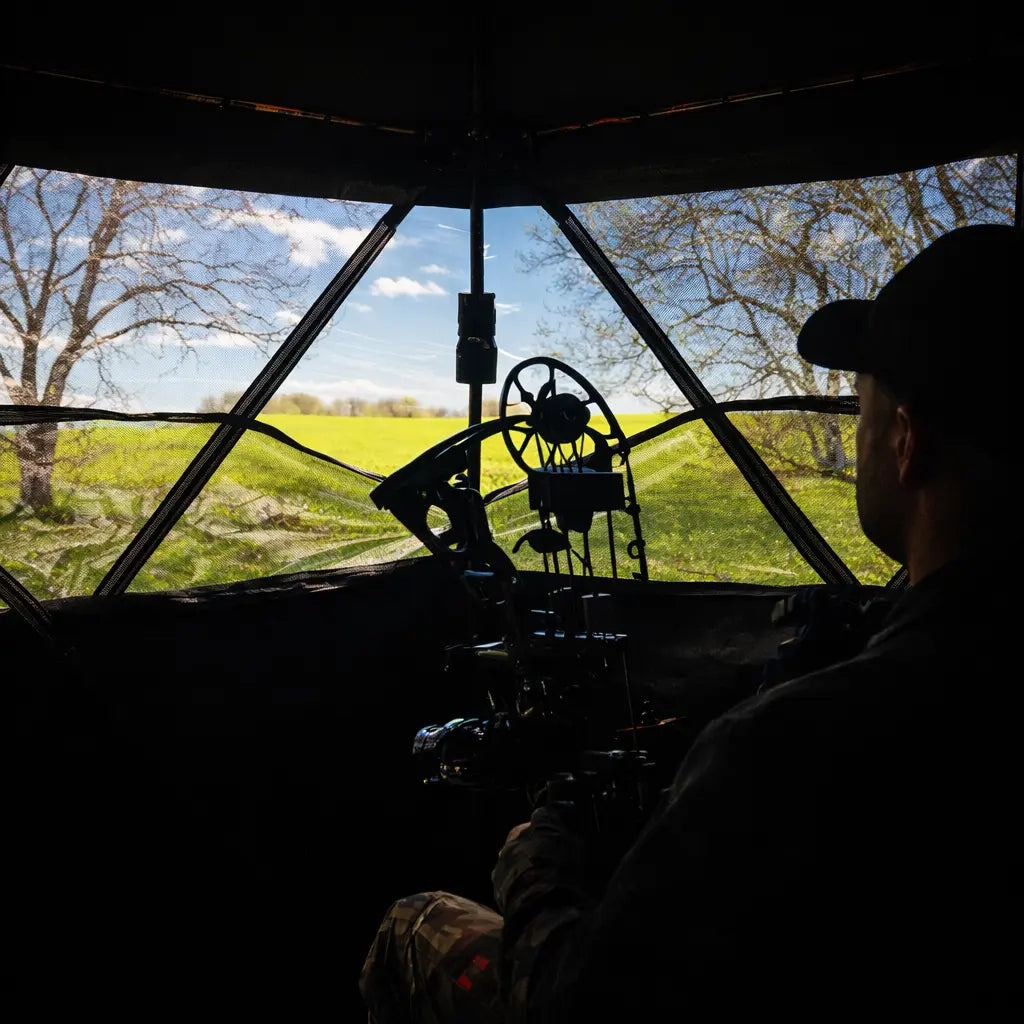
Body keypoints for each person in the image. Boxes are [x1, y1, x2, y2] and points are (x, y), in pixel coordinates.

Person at [359, 223, 1020, 1022]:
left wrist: (534, 861)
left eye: (862, 413)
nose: (861, 436)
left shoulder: (786, 750)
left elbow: (579, 1003)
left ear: (907, 442)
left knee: (413, 919)